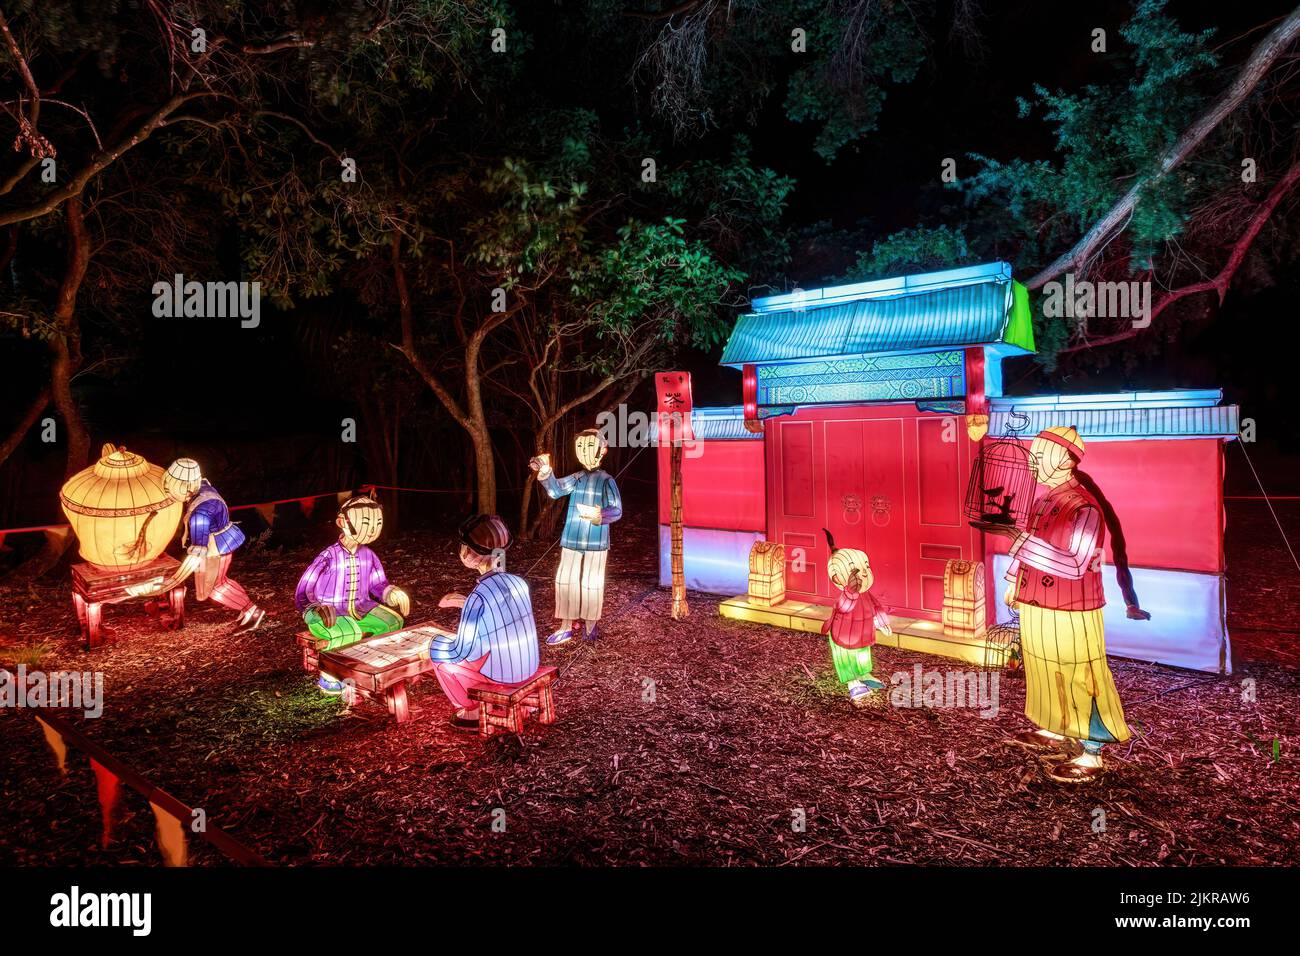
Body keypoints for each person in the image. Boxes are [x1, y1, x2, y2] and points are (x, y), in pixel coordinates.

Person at [986, 426, 1134, 784]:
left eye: (1039, 458)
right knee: (1042, 668)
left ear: (1065, 461)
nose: (1033, 465)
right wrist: (1013, 582)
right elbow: (1031, 551)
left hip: (1071, 607)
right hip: (1037, 602)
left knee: (1080, 672)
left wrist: (1015, 537)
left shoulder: (1084, 508)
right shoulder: (1044, 501)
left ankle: (1091, 749)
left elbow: (1074, 563)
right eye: (1033, 458)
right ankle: (1056, 727)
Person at [429, 514, 540, 729]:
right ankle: (526, 705)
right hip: (529, 665)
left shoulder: (478, 597)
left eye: (463, 547)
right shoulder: (519, 583)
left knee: (438, 651)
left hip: (501, 676)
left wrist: (439, 644)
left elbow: (461, 650)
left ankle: (471, 711)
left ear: (473, 553)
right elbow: (503, 611)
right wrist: (464, 603)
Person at [295, 494, 410, 693]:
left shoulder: (369, 555)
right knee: (346, 632)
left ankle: (374, 664)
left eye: (377, 523)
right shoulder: (328, 556)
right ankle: (331, 675)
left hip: (362, 606)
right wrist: (315, 608)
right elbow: (304, 589)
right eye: (366, 523)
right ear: (342, 522)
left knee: (392, 622)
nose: (372, 530)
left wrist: (391, 592)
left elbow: (378, 584)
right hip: (330, 611)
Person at [529, 428, 622, 645]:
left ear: (602, 450)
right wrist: (546, 472)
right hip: (571, 538)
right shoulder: (577, 477)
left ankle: (590, 626)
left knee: (593, 583)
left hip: (596, 542)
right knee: (565, 580)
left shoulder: (607, 480)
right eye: (580, 447)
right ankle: (565, 626)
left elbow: (617, 509)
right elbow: (556, 490)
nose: (584, 451)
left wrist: (601, 515)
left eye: (589, 446)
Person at [160, 458, 264, 633]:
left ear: (185, 486)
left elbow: (197, 554)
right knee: (217, 583)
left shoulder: (199, 515)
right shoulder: (203, 488)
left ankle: (252, 611)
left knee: (215, 588)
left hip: (215, 549)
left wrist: (174, 580)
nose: (168, 492)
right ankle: (246, 609)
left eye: (171, 488)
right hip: (218, 543)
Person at [822, 530, 892, 707]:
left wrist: (882, 621)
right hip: (843, 634)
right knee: (848, 660)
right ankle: (854, 683)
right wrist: (851, 592)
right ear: (838, 577)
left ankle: (864, 674)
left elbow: (876, 607)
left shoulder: (866, 595)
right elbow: (844, 607)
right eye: (857, 570)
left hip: (863, 633)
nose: (865, 572)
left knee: (863, 655)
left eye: (866, 567)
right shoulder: (846, 597)